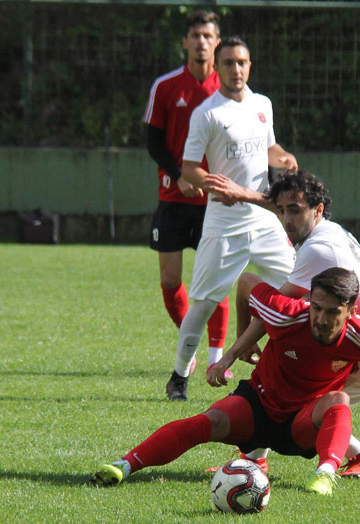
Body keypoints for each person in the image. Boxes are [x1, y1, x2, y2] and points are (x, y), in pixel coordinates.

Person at [91, 267, 360, 496]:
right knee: (209, 420)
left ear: (350, 311)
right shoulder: (285, 313)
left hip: (301, 424)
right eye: (316, 308)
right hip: (257, 405)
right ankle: (125, 465)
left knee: (338, 401)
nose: (320, 318)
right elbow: (246, 282)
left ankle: (326, 474)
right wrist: (239, 346)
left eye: (331, 312)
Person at [225, 169, 360, 479]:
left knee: (300, 402)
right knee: (295, 393)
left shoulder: (318, 248)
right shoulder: (328, 231)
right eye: (282, 211)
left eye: (295, 210)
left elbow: (277, 318)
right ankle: (254, 457)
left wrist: (236, 348)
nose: (287, 220)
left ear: (317, 210)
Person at [164, 36, 298, 401]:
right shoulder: (207, 113)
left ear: (250, 65)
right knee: (205, 303)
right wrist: (211, 185)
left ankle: (291, 365)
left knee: (297, 288)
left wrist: (284, 157)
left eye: (242, 62)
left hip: (264, 217)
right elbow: (189, 167)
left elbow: (268, 148)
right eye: (228, 63)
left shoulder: (262, 105)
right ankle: (179, 374)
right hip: (224, 221)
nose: (236, 69)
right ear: (217, 68)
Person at [143, 10, 230, 376]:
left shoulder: (227, 92)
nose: (200, 43)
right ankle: (188, 339)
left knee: (217, 283)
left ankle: (215, 359)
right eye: (194, 35)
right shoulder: (166, 87)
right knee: (169, 280)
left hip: (213, 203)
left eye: (207, 36)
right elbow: (152, 141)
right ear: (184, 42)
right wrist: (178, 174)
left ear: (217, 43)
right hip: (173, 198)